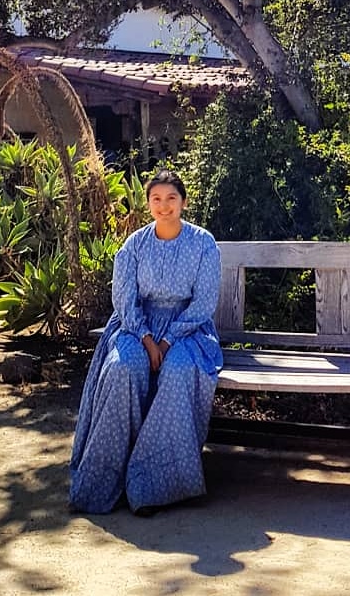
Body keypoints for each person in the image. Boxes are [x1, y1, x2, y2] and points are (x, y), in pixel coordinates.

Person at [69, 172, 222, 515]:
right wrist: (147, 339)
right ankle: (105, 480)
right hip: (136, 327)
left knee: (179, 370)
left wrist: (167, 342)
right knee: (123, 368)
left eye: (171, 198)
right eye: (156, 199)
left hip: (188, 329)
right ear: (148, 203)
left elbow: (203, 303)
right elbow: (124, 300)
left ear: (183, 202)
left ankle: (154, 485)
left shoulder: (203, 243)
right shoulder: (135, 245)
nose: (164, 206)